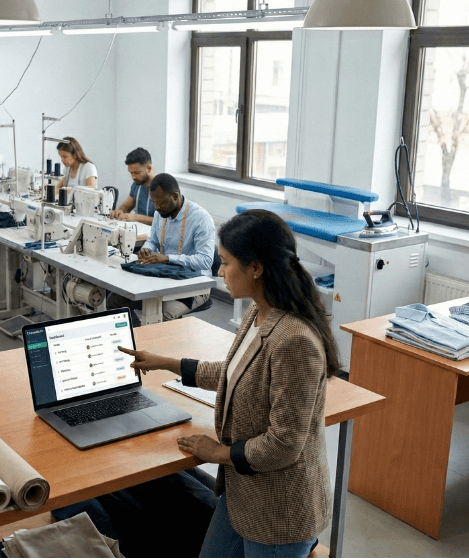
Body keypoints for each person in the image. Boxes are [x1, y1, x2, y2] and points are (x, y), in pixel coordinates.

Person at [119, 209, 339, 558]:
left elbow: (284, 444)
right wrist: (169, 364)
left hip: (280, 506)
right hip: (245, 489)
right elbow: (239, 374)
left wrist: (216, 453)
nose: (218, 271)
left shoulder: (294, 340)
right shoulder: (259, 311)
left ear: (255, 268)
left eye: (225, 262)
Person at [107, 173, 214, 324]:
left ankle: (149, 342)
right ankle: (137, 340)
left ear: (175, 196)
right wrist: (147, 248)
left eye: (161, 203)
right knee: (114, 302)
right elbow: (152, 240)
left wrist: (167, 258)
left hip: (194, 285)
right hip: (165, 277)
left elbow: (205, 261)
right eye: (154, 203)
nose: (156, 207)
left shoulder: (201, 219)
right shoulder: (160, 213)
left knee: (161, 316)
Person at [109, 147, 155, 225]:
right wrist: (120, 211)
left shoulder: (163, 187)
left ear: (149, 169)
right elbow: (126, 206)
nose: (133, 177)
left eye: (137, 173)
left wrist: (136, 218)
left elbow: (165, 222)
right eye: (131, 173)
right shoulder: (137, 184)